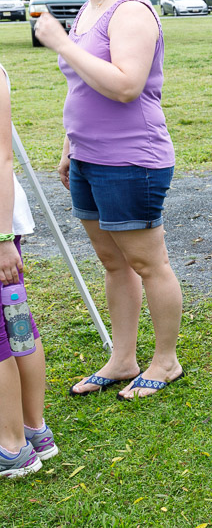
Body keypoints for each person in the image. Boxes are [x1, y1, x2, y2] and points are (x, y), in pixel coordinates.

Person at [29, 0, 184, 400]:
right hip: (90, 158)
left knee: (145, 262)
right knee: (112, 262)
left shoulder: (130, 10)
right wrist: (70, 146)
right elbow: (85, 87)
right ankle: (122, 359)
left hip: (131, 160)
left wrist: (58, 41)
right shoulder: (90, 6)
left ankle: (166, 361)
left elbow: (124, 86)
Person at [0, 63, 57, 478]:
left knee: (8, 332)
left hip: (0, 229)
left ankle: (12, 447)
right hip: (3, 228)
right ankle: (34, 431)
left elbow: (1, 157)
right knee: (17, 323)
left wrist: (2, 239)